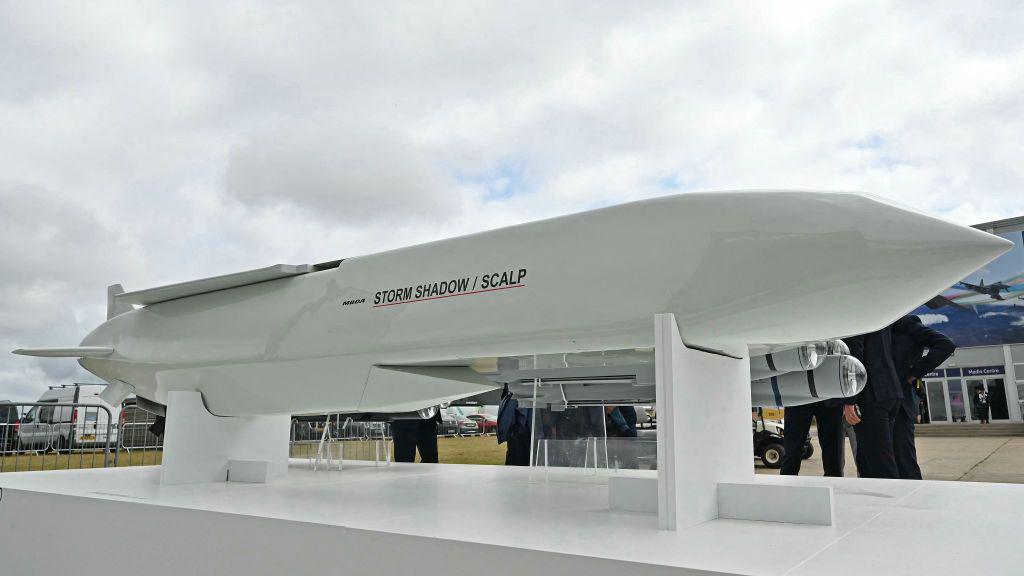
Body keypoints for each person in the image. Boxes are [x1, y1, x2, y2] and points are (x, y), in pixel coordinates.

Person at [890, 314, 955, 480]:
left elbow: (945, 345)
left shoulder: (907, 324)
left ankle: (913, 498)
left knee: (903, 458)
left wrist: (915, 372)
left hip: (901, 403)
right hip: (877, 403)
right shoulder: (879, 327)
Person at [843, 325, 904, 479]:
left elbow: (854, 359)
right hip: (889, 391)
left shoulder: (857, 320)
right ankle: (872, 500)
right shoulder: (882, 320)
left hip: (871, 396)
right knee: (866, 460)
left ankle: (891, 500)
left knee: (880, 463)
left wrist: (850, 400)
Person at [780, 400, 845, 477]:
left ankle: (835, 485)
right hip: (798, 397)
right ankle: (787, 485)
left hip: (831, 397)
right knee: (792, 452)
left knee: (835, 454)